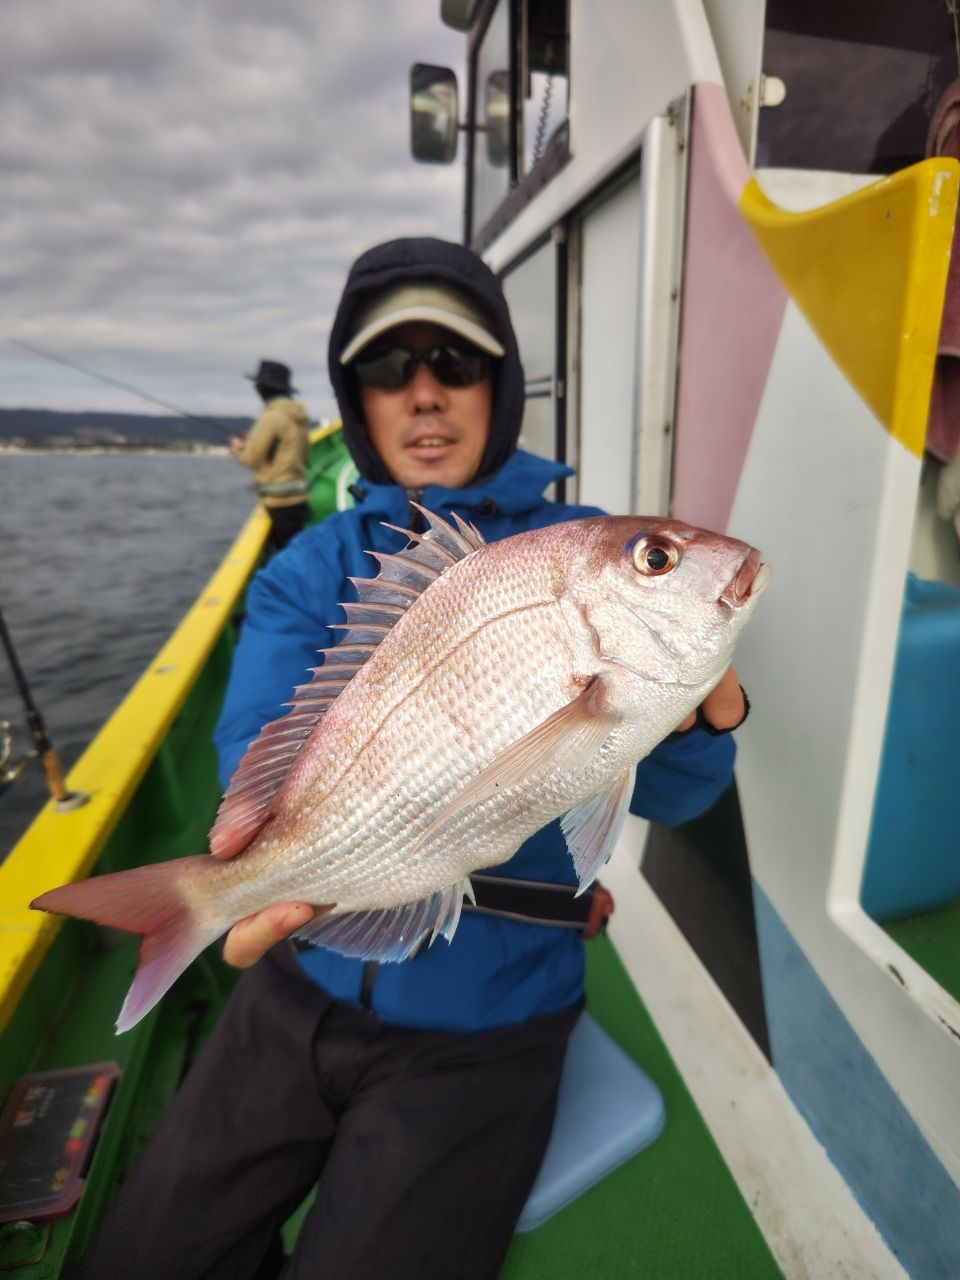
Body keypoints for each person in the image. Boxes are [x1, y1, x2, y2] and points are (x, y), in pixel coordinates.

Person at [75, 238, 750, 1280]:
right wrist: (247, 863)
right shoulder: (309, 568)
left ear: (501, 386)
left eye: (457, 362)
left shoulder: (579, 541)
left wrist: (701, 721)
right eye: (390, 369)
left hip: (495, 1015)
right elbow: (252, 738)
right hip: (298, 980)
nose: (424, 395)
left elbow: (671, 785)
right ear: (355, 396)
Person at [230, 359, 311, 551]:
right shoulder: (298, 416)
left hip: (279, 503)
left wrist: (237, 447)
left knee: (286, 557)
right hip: (299, 498)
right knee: (296, 550)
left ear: (264, 388)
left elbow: (251, 459)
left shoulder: (271, 417)